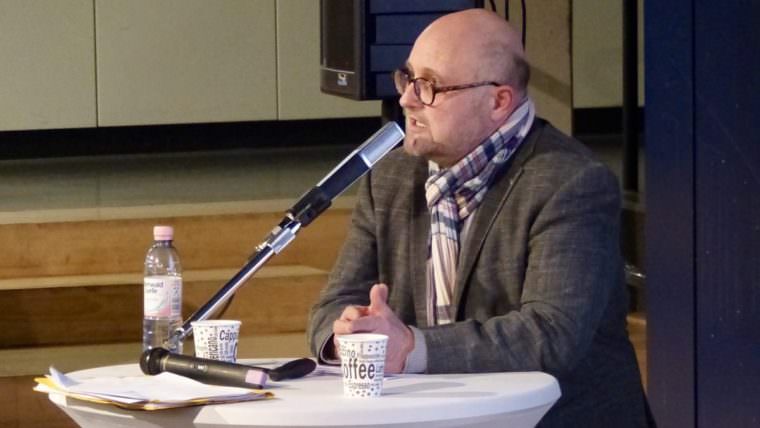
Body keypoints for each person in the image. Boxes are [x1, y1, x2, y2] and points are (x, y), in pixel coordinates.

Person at [307, 8, 649, 427]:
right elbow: (334, 305)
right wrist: (350, 336)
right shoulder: (392, 177)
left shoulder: (571, 183)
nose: (407, 99)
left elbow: (550, 335)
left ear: (498, 101)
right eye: (407, 78)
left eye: (429, 85)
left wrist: (411, 347)